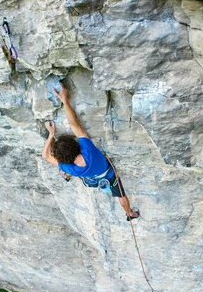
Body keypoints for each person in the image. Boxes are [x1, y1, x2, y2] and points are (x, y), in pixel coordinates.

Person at [42, 85, 139, 221]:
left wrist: (51, 134)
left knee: (64, 169)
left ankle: (66, 175)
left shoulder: (68, 166)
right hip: (108, 175)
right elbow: (73, 123)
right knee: (121, 196)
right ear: (75, 144)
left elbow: (45, 156)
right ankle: (129, 214)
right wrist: (65, 100)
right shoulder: (87, 149)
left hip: (90, 181)